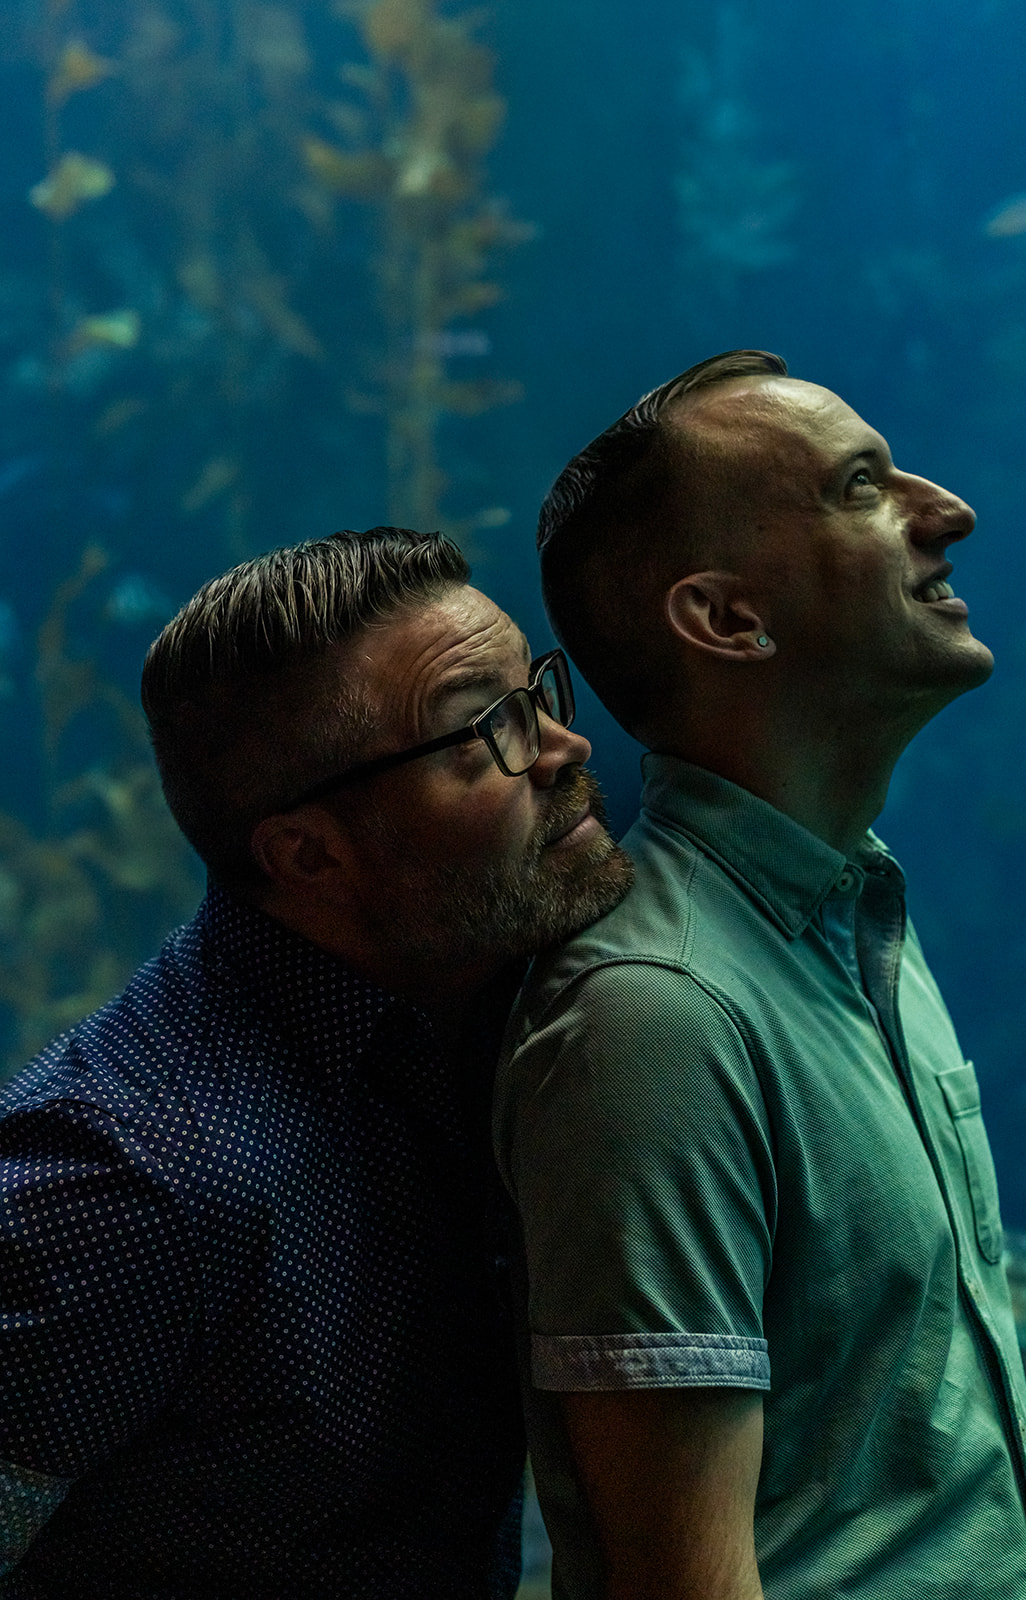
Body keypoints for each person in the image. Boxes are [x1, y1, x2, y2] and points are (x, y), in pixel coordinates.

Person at [494, 351, 1026, 1600]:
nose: (946, 510)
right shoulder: (656, 1015)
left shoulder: (851, 911)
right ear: (724, 619)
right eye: (860, 486)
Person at [0, 526, 633, 1598]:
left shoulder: (484, 1008)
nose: (562, 749)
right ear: (307, 854)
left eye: (534, 694)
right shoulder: (132, 1179)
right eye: (484, 729)